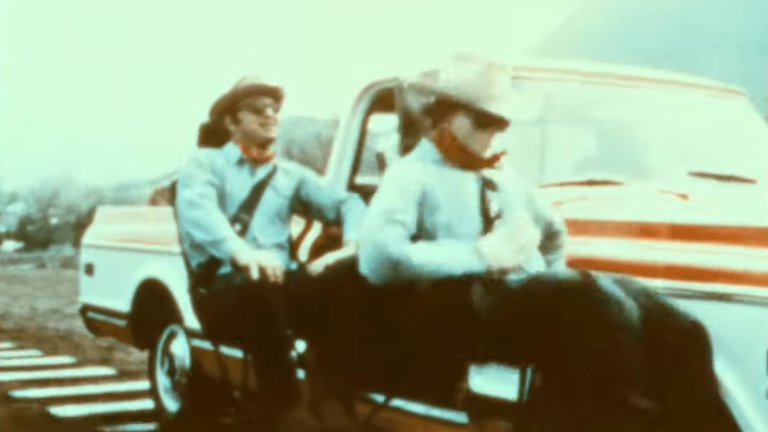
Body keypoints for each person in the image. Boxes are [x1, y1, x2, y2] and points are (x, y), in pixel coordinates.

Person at [356, 59, 737, 431]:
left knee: (679, 329)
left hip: (518, 298)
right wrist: (478, 255)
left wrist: (551, 281)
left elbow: (554, 231)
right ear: (441, 115)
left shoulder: (504, 175)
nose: (494, 134)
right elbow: (377, 258)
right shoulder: (411, 175)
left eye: (501, 124)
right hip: (458, 304)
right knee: (595, 303)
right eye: (484, 122)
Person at [175, 75, 365, 431]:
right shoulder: (205, 164)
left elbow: (348, 202)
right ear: (231, 122)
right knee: (257, 286)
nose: (270, 115)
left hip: (280, 285)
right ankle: (285, 409)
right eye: (257, 109)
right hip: (223, 291)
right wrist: (243, 253)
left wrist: (351, 245)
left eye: (274, 109)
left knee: (349, 279)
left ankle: (330, 397)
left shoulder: (288, 173)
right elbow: (199, 214)